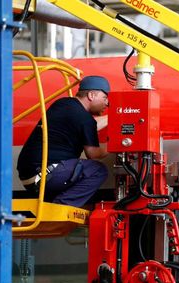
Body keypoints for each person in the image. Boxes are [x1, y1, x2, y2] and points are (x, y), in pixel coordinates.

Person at [17, 75, 111, 208]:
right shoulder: (84, 118)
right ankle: (62, 207)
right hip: (47, 173)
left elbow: (89, 125)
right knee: (98, 171)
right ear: (91, 95)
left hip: (30, 176)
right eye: (105, 98)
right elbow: (93, 154)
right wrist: (118, 144)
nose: (107, 103)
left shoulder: (64, 105)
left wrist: (116, 117)